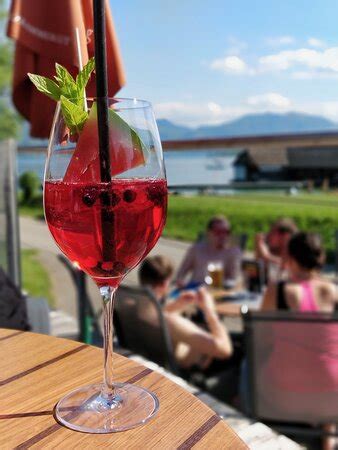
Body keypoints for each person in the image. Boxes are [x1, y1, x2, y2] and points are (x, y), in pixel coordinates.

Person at [259, 232, 338, 450]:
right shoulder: (333, 291)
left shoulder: (278, 290)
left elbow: (260, 338)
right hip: (332, 397)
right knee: (326, 366)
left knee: (250, 364)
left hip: (284, 398)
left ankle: (243, 409)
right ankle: (327, 436)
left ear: (290, 258)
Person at [139, 255, 233, 371]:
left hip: (147, 361)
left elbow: (156, 315)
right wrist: (210, 311)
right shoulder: (171, 322)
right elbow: (225, 350)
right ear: (164, 284)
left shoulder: (130, 306)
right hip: (192, 371)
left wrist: (176, 305)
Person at [175, 215, 241, 288]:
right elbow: (181, 273)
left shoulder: (233, 252)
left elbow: (234, 279)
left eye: (226, 232)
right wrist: (180, 281)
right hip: (194, 290)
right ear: (209, 233)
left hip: (218, 292)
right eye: (218, 232)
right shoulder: (196, 249)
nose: (223, 235)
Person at [255, 217, 298, 282]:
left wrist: (266, 256)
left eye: (272, 232)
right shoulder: (273, 249)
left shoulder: (297, 250)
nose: (268, 235)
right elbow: (258, 272)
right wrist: (258, 248)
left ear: (286, 236)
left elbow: (286, 266)